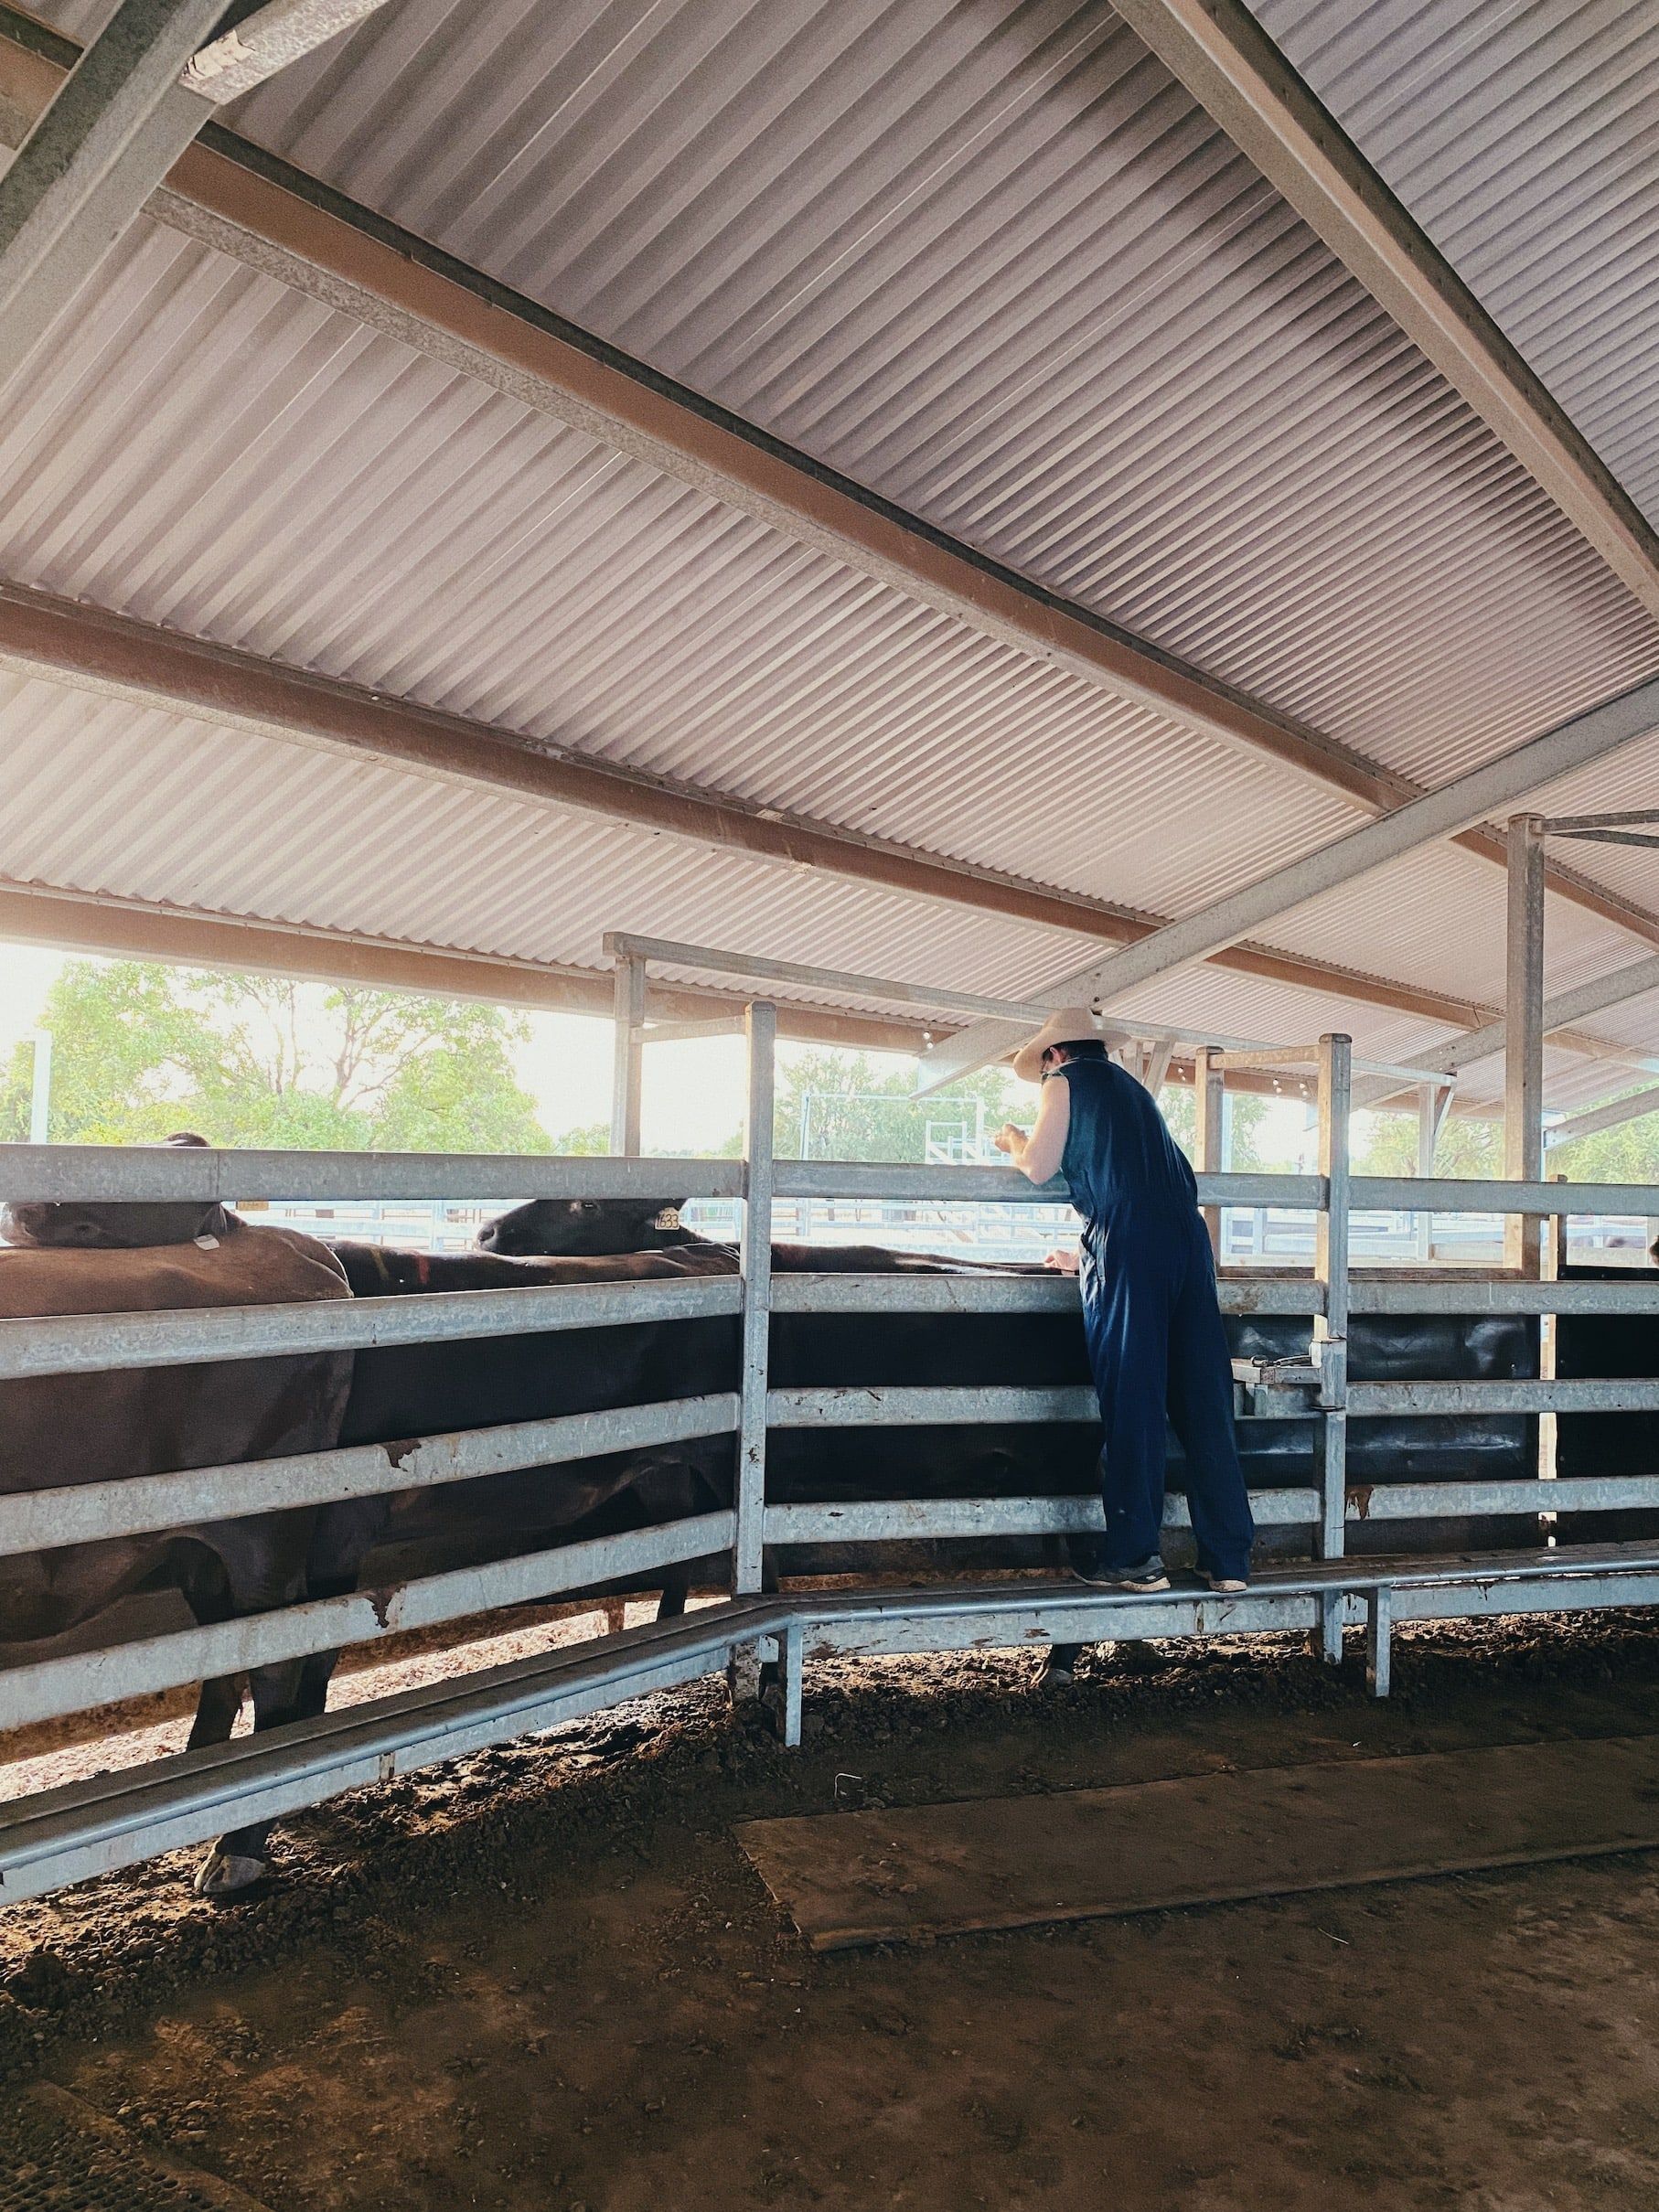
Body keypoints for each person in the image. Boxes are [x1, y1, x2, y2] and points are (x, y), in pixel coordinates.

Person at [994, 1010, 1254, 1594]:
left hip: (1126, 1240)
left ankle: (1135, 1555)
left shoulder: (1065, 1083)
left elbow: (1039, 1166)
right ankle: (1228, 1558)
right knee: (1201, 1397)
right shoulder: (1135, 1093)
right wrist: (1087, 1257)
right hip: (1187, 1242)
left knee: (1132, 1392)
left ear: (1054, 1055)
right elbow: (1146, 1187)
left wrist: (1012, 1137)